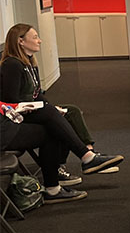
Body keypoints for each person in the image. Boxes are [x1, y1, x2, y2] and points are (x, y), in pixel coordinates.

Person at [1, 24, 123, 193]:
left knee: (67, 112)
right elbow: (10, 101)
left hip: (28, 113)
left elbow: (37, 94)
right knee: (52, 122)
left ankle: (85, 158)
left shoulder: (29, 63)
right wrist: (42, 108)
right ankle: (85, 158)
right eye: (35, 37)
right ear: (20, 41)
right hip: (14, 120)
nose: (40, 40)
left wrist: (51, 106)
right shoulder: (12, 65)